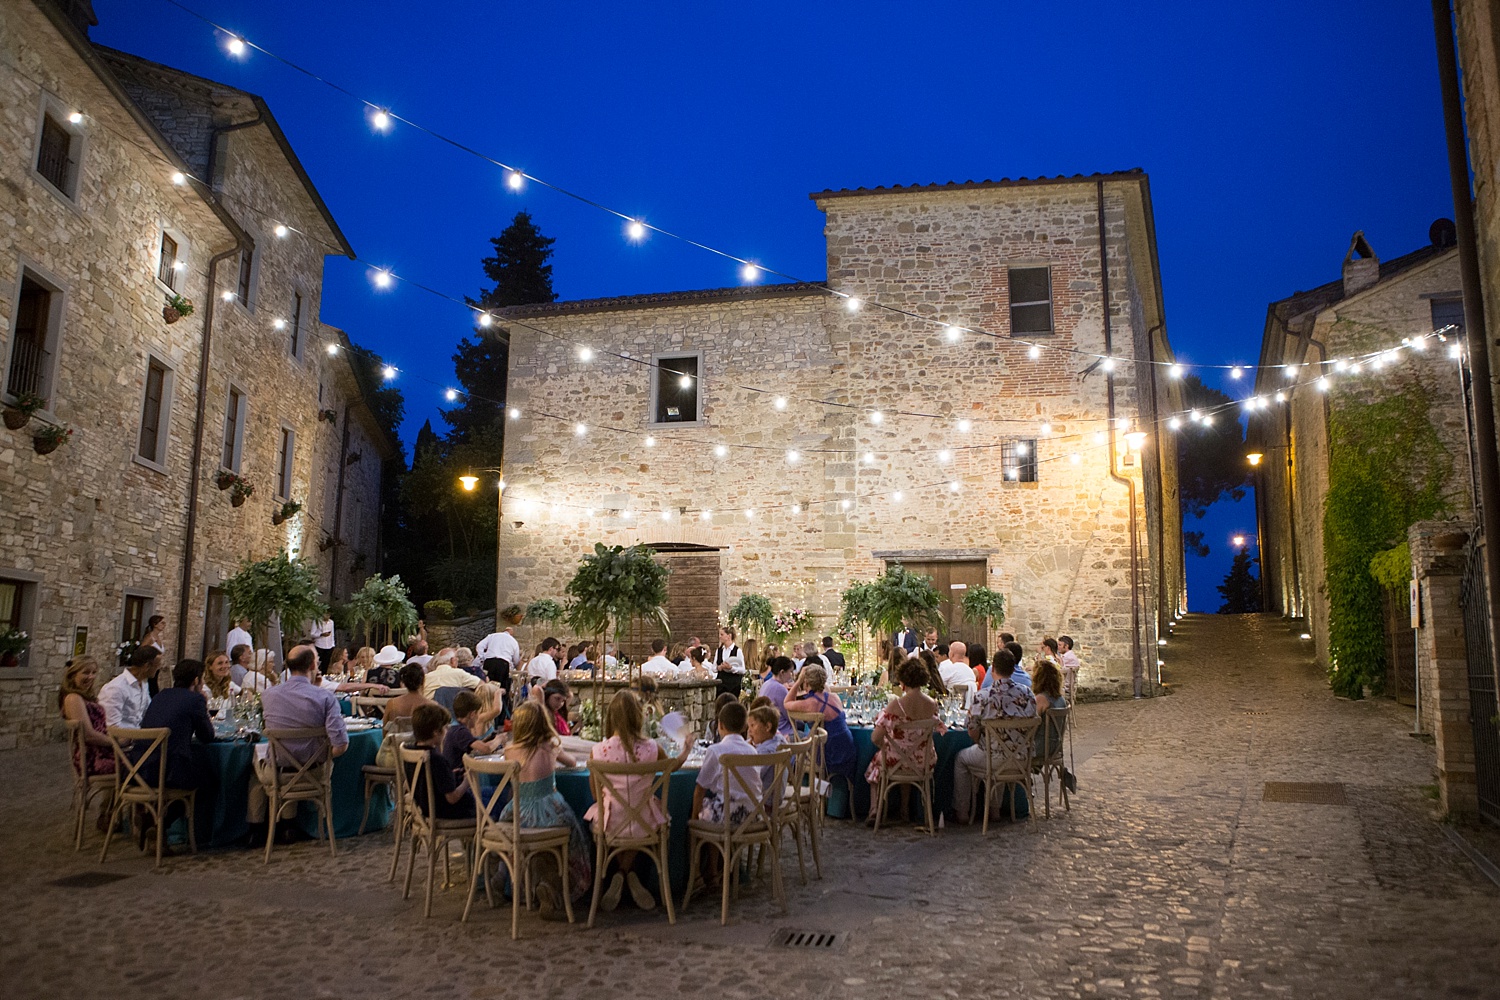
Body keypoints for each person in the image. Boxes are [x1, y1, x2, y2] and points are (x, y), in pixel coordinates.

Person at [585, 690, 684, 911]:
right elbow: (672, 768)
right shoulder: (652, 748)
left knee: (612, 818)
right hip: (646, 822)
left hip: (611, 822)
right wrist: (685, 751)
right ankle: (627, 874)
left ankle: (620, 873)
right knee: (640, 819)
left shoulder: (597, 752)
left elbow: (594, 795)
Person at [500, 701, 592, 916]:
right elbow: (571, 762)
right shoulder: (550, 746)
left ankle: (509, 879)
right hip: (548, 809)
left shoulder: (509, 751)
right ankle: (556, 886)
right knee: (575, 838)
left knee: (518, 838)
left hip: (518, 813)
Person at [249, 645, 348, 835]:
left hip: (278, 773)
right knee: (286, 759)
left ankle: (256, 828)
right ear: (312, 665)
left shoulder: (269, 695)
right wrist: (320, 757)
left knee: (255, 766)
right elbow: (341, 745)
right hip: (314, 773)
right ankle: (288, 826)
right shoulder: (325, 697)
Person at [135, 658, 217, 851]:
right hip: (169, 771)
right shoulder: (195, 699)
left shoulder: (161, 695)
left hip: (139, 768)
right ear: (196, 681)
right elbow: (207, 736)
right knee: (210, 781)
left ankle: (153, 821)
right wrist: (203, 707)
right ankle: (161, 823)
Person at [953, 648, 1036, 825]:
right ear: (1013, 670)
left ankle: (962, 811)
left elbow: (972, 730)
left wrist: (979, 741)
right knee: (996, 750)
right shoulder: (1028, 694)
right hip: (1023, 758)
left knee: (963, 758)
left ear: (993, 670)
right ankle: (995, 809)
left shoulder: (983, 696)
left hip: (994, 757)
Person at [865, 656, 943, 823]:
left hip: (897, 761)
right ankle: (905, 809)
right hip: (923, 761)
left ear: (902, 679)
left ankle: (875, 809)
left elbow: (875, 737)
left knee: (876, 764)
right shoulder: (932, 704)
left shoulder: (896, 705)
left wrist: (885, 744)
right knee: (907, 757)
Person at [783, 663, 857, 796]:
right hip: (847, 749)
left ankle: (800, 793)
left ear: (806, 682)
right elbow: (825, 690)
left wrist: (799, 680)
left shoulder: (810, 703)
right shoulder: (833, 697)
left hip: (827, 752)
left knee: (793, 745)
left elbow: (787, 703)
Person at [692, 700, 761, 832]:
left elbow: (700, 789)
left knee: (703, 806)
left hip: (727, 817)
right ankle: (726, 851)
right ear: (744, 727)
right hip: (754, 815)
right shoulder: (752, 750)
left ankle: (708, 850)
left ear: (720, 725)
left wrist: (694, 820)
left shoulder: (716, 750)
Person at [406, 703, 475, 820]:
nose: (447, 730)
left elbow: (429, 780)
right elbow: (452, 798)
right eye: (445, 727)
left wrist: (449, 775)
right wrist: (467, 781)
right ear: (436, 732)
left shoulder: (411, 751)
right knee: (489, 798)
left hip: (424, 807)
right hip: (446, 813)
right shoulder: (436, 759)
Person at [58, 656, 116, 780]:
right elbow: (88, 734)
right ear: (73, 675)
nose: (91, 677)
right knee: (141, 766)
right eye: (86, 673)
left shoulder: (84, 697)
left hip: (103, 752)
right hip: (93, 758)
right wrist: (115, 743)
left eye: (93, 672)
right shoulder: (73, 698)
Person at [99, 645, 157, 729]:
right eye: (157, 666)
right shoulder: (116, 688)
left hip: (138, 735)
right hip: (121, 738)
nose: (159, 668)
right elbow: (111, 727)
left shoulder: (144, 683)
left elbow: (148, 712)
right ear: (147, 666)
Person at [443, 690, 505, 768]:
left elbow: (475, 746)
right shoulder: (460, 731)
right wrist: (499, 738)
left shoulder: (455, 729)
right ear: (472, 714)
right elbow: (486, 748)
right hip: (458, 777)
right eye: (478, 713)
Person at [747, 704, 784, 795]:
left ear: (767, 727)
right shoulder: (778, 740)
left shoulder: (766, 752)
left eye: (752, 725)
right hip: (776, 797)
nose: (749, 731)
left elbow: (751, 778)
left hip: (763, 801)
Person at [758, 656, 797, 737]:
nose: (791, 676)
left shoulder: (766, 684)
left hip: (767, 728)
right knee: (810, 736)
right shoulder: (780, 688)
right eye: (790, 672)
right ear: (782, 672)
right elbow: (790, 715)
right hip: (782, 732)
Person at [712, 626, 745, 697]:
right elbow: (713, 668)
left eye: (722, 634)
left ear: (729, 636)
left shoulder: (737, 651)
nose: (719, 637)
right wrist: (719, 667)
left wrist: (731, 668)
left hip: (733, 685)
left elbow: (742, 670)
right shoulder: (719, 650)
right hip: (721, 685)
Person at [1058, 635, 1081, 700]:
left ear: (1066, 646)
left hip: (1066, 688)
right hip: (1067, 686)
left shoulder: (1068, 657)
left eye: (1060, 645)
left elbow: (1060, 671)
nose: (1058, 647)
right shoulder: (1069, 656)